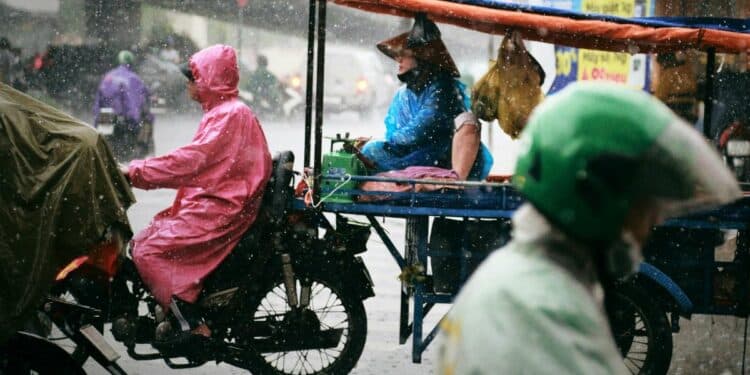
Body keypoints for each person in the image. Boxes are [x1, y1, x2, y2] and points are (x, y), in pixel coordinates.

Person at [437, 82, 741, 374]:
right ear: (596, 198)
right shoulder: (537, 308)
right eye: (643, 208)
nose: (651, 224)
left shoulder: (537, 285)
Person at [120, 44, 272, 345]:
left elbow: (191, 162)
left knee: (148, 251)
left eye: (194, 77)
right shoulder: (224, 112)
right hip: (216, 201)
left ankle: (190, 322)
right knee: (145, 240)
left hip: (223, 207)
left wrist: (136, 172)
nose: (189, 83)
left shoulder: (229, 115)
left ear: (210, 80)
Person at [360, 15, 493, 180]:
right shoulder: (404, 93)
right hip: (409, 153)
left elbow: (422, 128)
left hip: (439, 157)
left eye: (405, 54)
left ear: (421, 58)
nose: (399, 59)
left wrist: (392, 143)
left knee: (372, 153)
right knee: (370, 151)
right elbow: (393, 129)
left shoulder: (443, 88)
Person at [93, 50, 154, 160]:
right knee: (148, 122)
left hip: (107, 117)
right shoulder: (134, 78)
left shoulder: (108, 76)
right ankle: (143, 154)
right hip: (130, 120)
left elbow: (98, 100)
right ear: (131, 62)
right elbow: (143, 97)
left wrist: (97, 118)